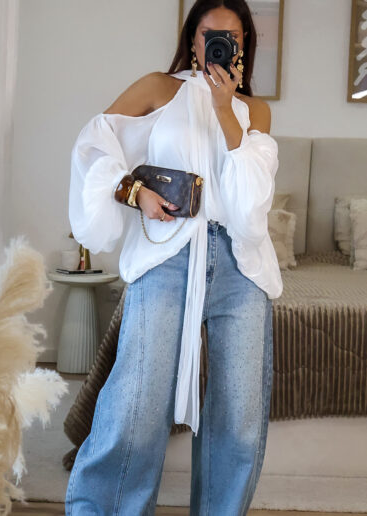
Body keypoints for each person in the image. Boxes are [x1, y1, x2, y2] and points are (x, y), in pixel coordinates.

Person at [66, 0, 283, 514]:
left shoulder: (254, 112)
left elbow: (252, 208)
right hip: (166, 254)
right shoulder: (158, 89)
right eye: (210, 35)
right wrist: (133, 190)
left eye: (232, 37)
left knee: (240, 415)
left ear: (244, 46)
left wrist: (225, 109)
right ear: (192, 40)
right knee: (137, 402)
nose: (220, 45)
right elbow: (94, 145)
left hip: (241, 265)